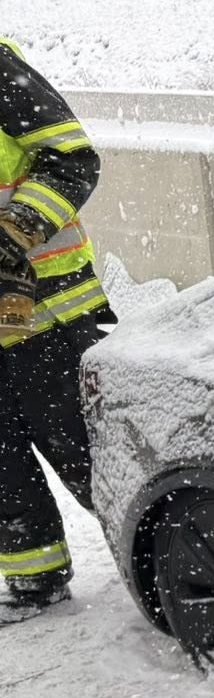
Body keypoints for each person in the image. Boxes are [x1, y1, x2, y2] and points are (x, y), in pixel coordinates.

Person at [0, 35, 108, 622]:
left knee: (83, 445)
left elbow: (72, 159)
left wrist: (13, 230)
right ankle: (35, 579)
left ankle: (182, 557)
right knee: (1, 460)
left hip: (43, 308)